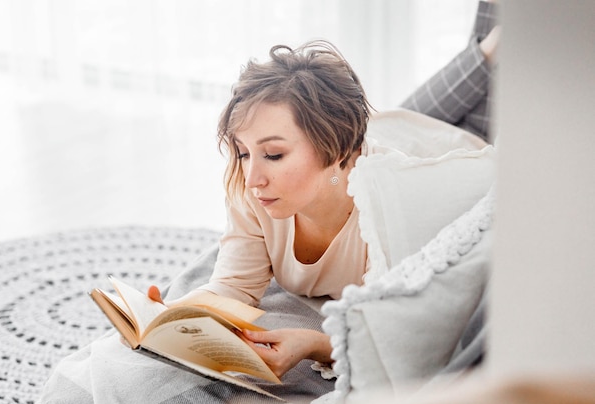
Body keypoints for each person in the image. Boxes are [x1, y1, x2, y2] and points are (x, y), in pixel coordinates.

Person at [159, 0, 500, 380]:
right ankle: (491, 47)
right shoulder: (251, 186)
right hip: (386, 131)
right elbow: (232, 286)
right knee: (418, 104)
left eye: (272, 154)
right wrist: (171, 316)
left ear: (338, 152)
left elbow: (395, 336)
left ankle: (495, 47)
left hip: (449, 155)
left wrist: (313, 343)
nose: (252, 176)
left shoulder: (394, 201)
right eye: (242, 152)